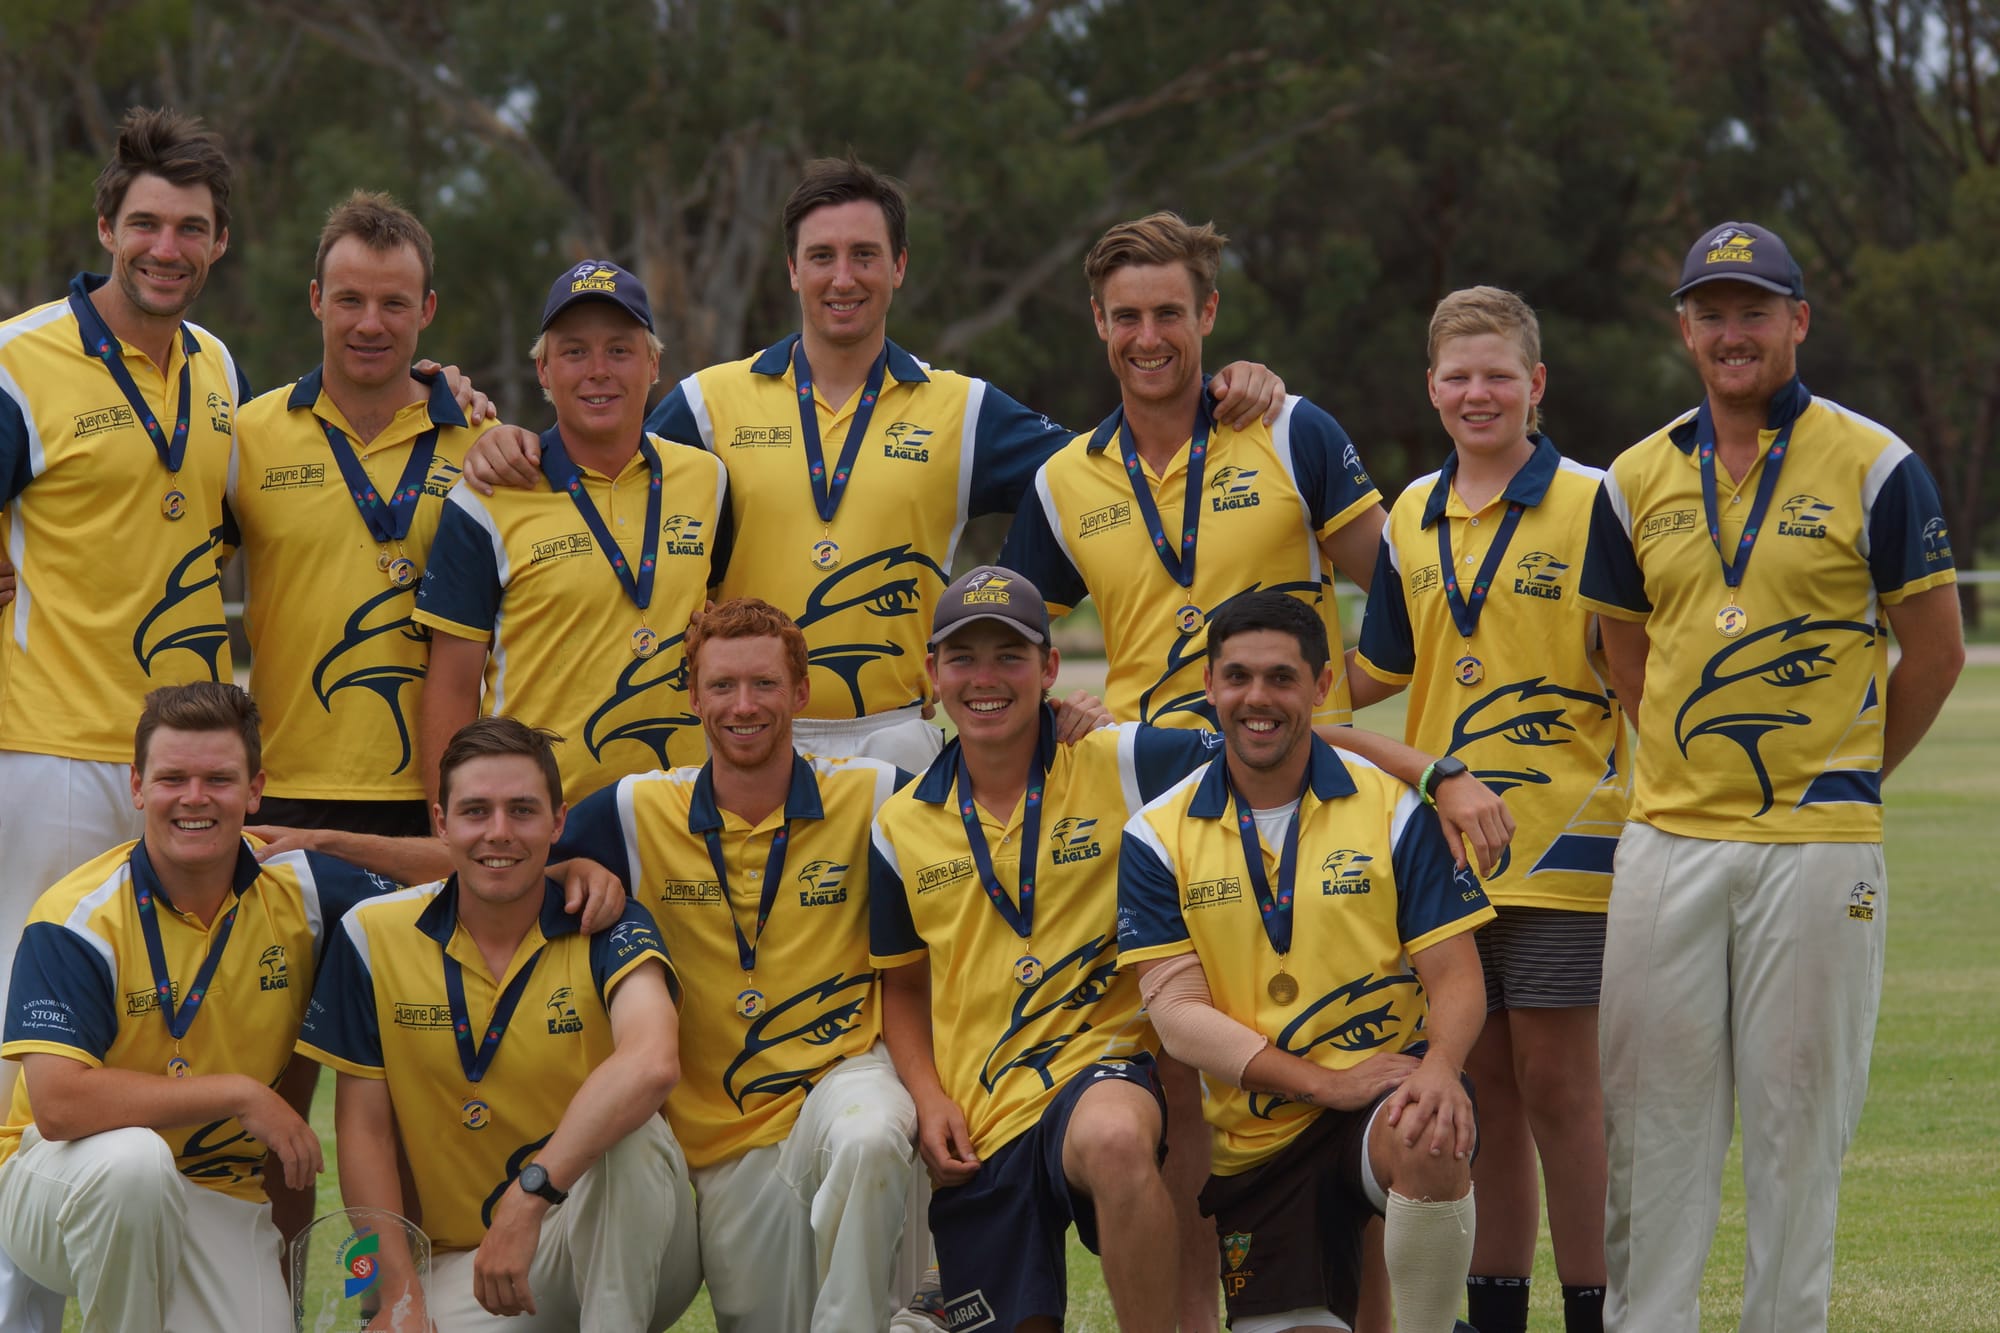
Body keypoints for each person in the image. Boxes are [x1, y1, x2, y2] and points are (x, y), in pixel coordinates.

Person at [459, 155, 1287, 773]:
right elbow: (603, 457)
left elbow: (1120, 465)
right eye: (821, 256)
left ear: (899, 267)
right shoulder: (711, 404)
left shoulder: (963, 409)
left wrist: (1227, 385)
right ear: (792, 270)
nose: (842, 277)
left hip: (899, 740)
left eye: (864, 255)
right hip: (747, 740)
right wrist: (512, 437)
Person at [1576, 222, 1964, 1333]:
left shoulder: (1875, 463)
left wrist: (1842, 773)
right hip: (1666, 843)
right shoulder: (1636, 475)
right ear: (1682, 329)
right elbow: (1624, 652)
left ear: (1797, 320)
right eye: (1711, 312)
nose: (1731, 332)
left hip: (1816, 847)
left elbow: (1930, 652)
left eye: (1754, 310)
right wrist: (1690, 767)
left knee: (1798, 1129)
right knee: (1650, 1127)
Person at [1350, 287, 1625, 1333]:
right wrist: (1246, 689)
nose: (1477, 394)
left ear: (1535, 386)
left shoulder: (1597, 500)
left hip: (1564, 841)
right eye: (1457, 377)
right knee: (1485, 1090)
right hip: (1442, 853)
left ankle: (1592, 1310)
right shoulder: (1410, 511)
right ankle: (1495, 1314)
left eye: (1497, 376)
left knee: (1561, 1088)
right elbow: (1377, 665)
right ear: (1430, 389)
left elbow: (1634, 665)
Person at [1118, 590, 1491, 1333]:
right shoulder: (1156, 834)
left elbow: (1456, 976)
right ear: (1210, 686)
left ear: (1321, 688)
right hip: (1262, 1138)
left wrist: (1442, 1065)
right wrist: (1324, 1082)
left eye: (1282, 678)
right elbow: (1179, 1016)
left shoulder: (1395, 810)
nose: (1258, 698)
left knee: (1433, 1127)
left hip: (1386, 1094)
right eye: (1239, 676)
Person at [551, 597, 916, 1332]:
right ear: (692, 696)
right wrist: (571, 872)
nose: (742, 705)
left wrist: (1065, 725)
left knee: (874, 1133)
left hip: (834, 1084)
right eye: (721, 686)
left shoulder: (874, 794)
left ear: (801, 692)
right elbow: (492, 863)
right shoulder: (631, 810)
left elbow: (997, 798)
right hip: (715, 1139)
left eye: (764, 684)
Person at [0, 682, 393, 1330]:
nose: (194, 798)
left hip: (219, 1192)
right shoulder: (78, 914)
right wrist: (240, 1093)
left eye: (218, 778)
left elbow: (467, 876)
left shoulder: (307, 892)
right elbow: (60, 1105)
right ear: (136, 785)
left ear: (255, 789)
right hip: (59, 1183)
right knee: (134, 1167)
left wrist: (564, 871)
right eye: (173, 777)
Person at [296, 716, 701, 1331]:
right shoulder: (371, 935)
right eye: (476, 811)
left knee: (633, 1136)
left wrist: (529, 1198)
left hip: (613, 1237)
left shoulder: (605, 920)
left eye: (522, 811)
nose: (499, 833)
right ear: (441, 823)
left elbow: (652, 1062)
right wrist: (399, 1296)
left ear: (559, 822)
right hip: (472, 1263)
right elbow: (365, 1134)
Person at [0, 110, 249, 1084]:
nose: (166, 247)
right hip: (51, 746)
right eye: (147, 223)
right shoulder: (21, 360)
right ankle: (15, 1238)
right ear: (107, 227)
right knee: (30, 996)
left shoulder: (219, 364)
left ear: (220, 243)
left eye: (191, 228)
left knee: (157, 998)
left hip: (182, 756)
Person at [999, 210, 1386, 731]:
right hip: (1144, 790)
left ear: (1208, 312)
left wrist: (1326, 696)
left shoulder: (1290, 431)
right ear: (1099, 320)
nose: (1149, 338)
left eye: (1169, 313)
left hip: (1293, 783)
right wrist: (1059, 714)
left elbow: (1407, 597)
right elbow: (995, 645)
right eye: (1128, 317)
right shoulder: (1062, 480)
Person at [415, 259, 731, 804]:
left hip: (681, 816)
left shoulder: (709, 479)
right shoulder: (485, 497)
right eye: (574, 351)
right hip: (538, 826)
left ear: (653, 363)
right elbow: (451, 687)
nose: (598, 370)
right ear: (543, 371)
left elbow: (725, 625)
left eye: (619, 349)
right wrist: (453, 829)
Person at [229, 190, 488, 841]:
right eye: (350, 300)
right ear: (317, 299)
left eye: (394, 303)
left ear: (426, 309)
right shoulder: (248, 435)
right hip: (281, 791)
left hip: (436, 796)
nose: (370, 323)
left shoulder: (484, 443)